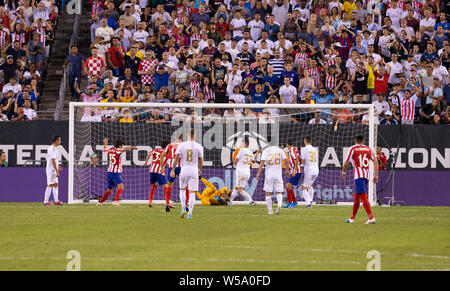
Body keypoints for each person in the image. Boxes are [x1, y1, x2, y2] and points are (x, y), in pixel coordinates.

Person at [341, 134, 378, 224]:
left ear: (355, 141)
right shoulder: (369, 149)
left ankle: (371, 217)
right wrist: (376, 175)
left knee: (363, 197)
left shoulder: (353, 148)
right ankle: (352, 218)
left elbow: (346, 162)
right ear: (363, 141)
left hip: (359, 176)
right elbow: (375, 161)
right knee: (357, 197)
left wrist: (343, 171)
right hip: (366, 175)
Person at [170, 128, 203, 219]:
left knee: (182, 189)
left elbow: (176, 158)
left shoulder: (182, 145)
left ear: (188, 135)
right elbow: (201, 160)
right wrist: (200, 169)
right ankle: (190, 213)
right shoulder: (199, 146)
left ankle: (183, 208)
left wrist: (173, 169)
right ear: (195, 135)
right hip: (193, 170)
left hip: (184, 169)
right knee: (192, 192)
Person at [97, 138, 137, 206]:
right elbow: (125, 149)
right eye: (122, 145)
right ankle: (115, 201)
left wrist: (105, 143)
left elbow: (104, 150)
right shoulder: (118, 150)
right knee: (121, 187)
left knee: (110, 189)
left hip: (109, 172)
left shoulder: (111, 149)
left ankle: (100, 202)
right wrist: (133, 147)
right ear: (120, 145)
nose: (123, 147)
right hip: (115, 173)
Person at [256, 144, 288, 215]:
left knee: (268, 192)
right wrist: (287, 170)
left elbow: (262, 163)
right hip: (278, 174)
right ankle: (279, 204)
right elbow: (286, 160)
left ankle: (270, 211)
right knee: (278, 192)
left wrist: (258, 172)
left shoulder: (266, 151)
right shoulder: (280, 151)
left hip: (269, 175)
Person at [229, 138, 258, 206]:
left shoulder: (242, 150)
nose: (241, 144)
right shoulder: (250, 152)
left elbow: (236, 159)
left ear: (245, 143)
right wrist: (257, 153)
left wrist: (236, 164)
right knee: (238, 188)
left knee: (239, 189)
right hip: (247, 173)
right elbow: (253, 161)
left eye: (242, 143)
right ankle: (229, 201)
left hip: (240, 171)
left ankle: (251, 201)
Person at [143, 140, 170, 210]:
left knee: (154, 185)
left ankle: (150, 201)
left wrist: (146, 162)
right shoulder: (167, 152)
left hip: (152, 170)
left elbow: (149, 154)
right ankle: (167, 203)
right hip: (159, 170)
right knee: (166, 186)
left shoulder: (156, 150)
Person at [160, 135, 183, 210]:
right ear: (182, 139)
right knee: (185, 186)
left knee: (169, 186)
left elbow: (162, 155)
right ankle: (185, 205)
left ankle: (167, 203)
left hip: (171, 167)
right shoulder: (184, 144)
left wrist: (162, 167)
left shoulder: (170, 145)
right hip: (182, 167)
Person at [300, 136, 319, 208]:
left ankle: (308, 203)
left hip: (309, 170)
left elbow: (302, 161)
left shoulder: (304, 149)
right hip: (316, 170)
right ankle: (310, 200)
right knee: (310, 185)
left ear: (305, 140)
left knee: (304, 187)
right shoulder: (314, 149)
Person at [43, 136, 62, 206]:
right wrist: (57, 171)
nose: (60, 142)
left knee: (56, 184)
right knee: (50, 185)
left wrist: (57, 167)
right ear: (56, 141)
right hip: (51, 170)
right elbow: (53, 160)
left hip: (54, 169)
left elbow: (55, 160)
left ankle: (56, 201)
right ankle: (45, 201)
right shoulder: (51, 148)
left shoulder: (55, 149)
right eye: (59, 140)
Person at [283, 139, 302, 208]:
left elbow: (296, 160)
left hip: (296, 171)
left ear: (287, 144)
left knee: (288, 186)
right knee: (287, 185)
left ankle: (294, 202)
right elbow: (298, 159)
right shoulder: (294, 149)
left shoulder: (291, 150)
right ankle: (289, 202)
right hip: (294, 170)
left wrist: (294, 170)